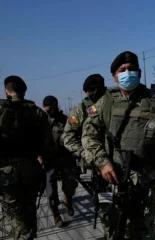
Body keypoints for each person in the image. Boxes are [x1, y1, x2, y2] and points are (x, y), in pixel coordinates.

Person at [82, 51, 155, 239]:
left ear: (139, 73)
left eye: (132, 69)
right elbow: (88, 136)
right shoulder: (105, 102)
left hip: (154, 175)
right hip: (118, 177)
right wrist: (102, 163)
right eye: (122, 70)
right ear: (115, 76)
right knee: (120, 231)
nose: (127, 72)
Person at [0, 76, 56, 240]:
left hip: (6, 175)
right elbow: (49, 147)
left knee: (19, 221)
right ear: (24, 91)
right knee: (29, 215)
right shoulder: (37, 112)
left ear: (6, 91)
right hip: (31, 171)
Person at [43, 95, 78, 228]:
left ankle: (68, 199)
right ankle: (56, 215)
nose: (48, 111)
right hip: (49, 161)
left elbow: (73, 135)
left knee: (71, 184)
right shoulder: (43, 121)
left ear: (56, 105)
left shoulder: (65, 120)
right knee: (51, 190)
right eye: (46, 108)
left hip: (65, 157)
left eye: (50, 108)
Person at [62, 73, 109, 171]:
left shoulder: (111, 105)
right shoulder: (79, 111)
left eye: (99, 89)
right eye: (92, 89)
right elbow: (68, 137)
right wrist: (84, 153)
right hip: (92, 160)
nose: (96, 92)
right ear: (85, 92)